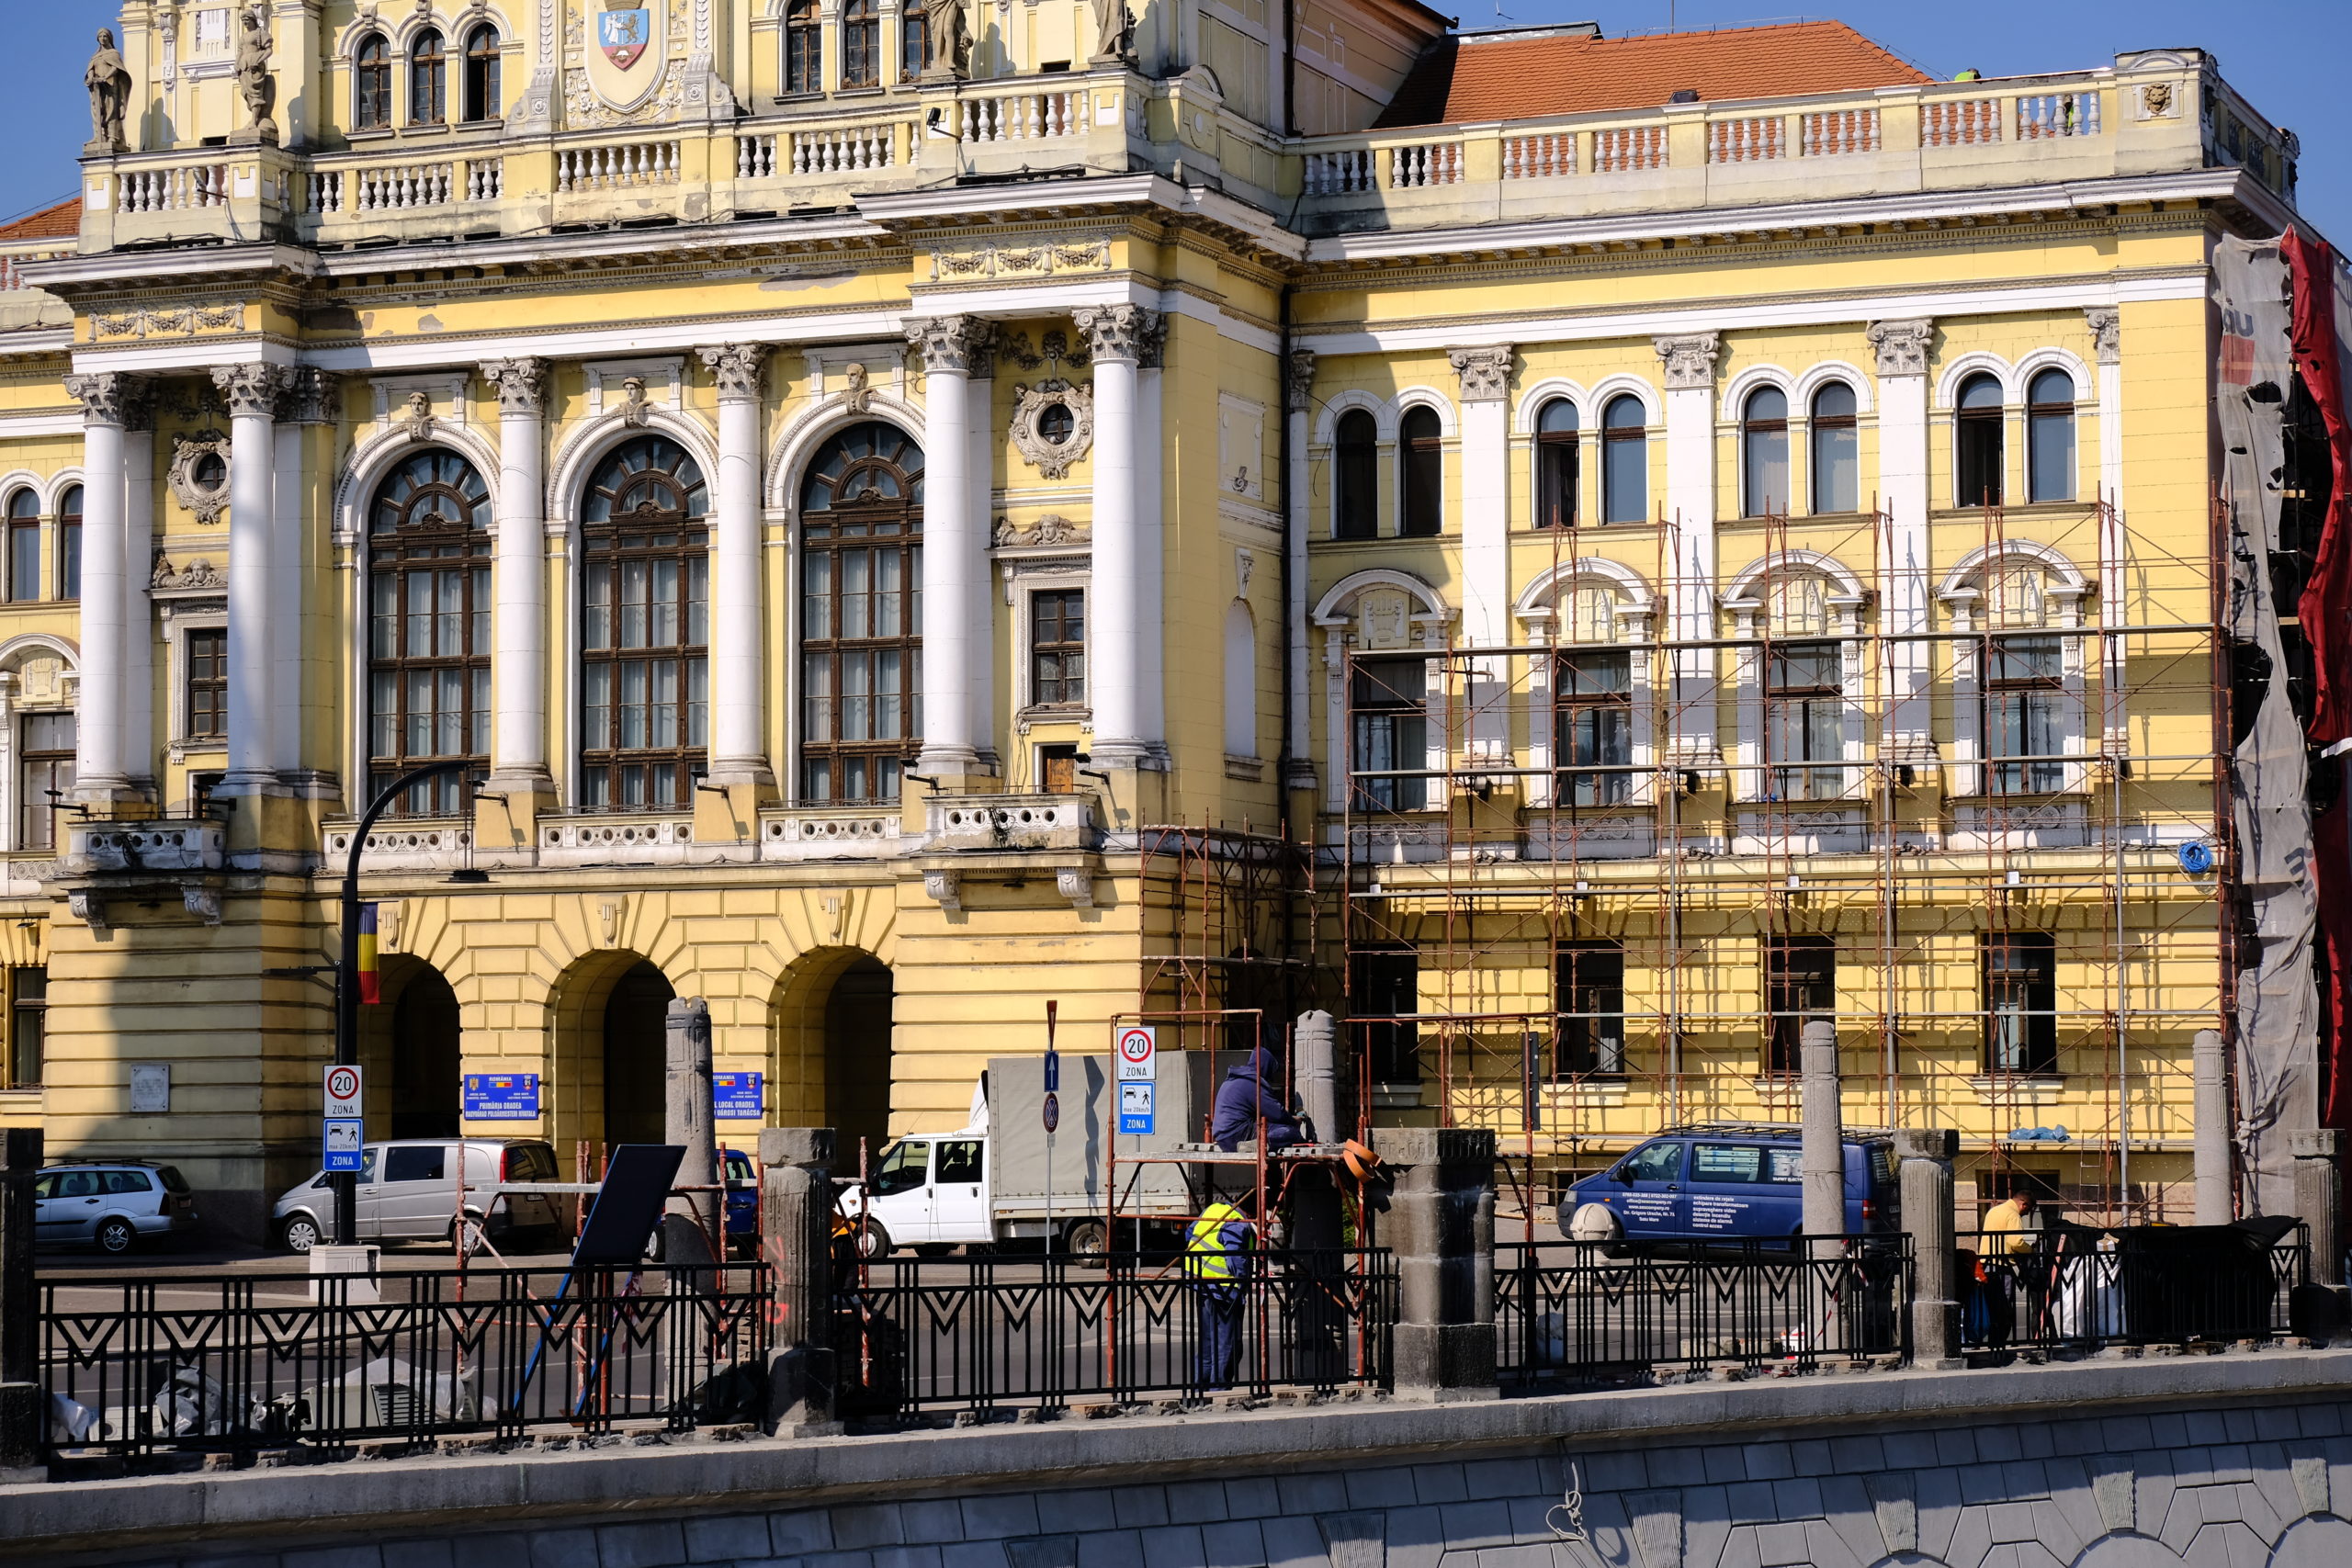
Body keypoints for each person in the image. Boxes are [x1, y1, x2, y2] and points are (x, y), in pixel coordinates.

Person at [1185, 1195, 1254, 1391]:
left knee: (1207, 1344)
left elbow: (1189, 1235)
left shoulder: (1212, 1210)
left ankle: (1200, 1390)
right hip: (1225, 1291)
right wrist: (1245, 1278)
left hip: (1202, 1285)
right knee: (1227, 1345)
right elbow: (1235, 1260)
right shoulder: (1237, 1222)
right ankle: (1218, 1391)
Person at [1211, 1043, 1307, 1152]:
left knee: (1274, 1128)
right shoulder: (1252, 1082)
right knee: (1291, 1133)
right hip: (1237, 1135)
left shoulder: (1237, 1079)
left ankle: (1256, 1145)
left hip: (1224, 1138)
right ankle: (1258, 1144)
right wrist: (1294, 1121)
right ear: (1265, 1067)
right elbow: (1276, 1113)